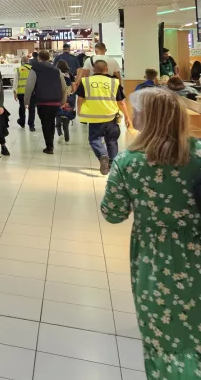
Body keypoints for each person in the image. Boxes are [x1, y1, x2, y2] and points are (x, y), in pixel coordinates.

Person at [100, 88, 201, 378]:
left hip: (157, 257)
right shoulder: (198, 155)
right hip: (196, 246)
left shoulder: (129, 162)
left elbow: (113, 213)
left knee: (164, 336)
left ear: (148, 118)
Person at [76, 59, 131, 174]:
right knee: (112, 140)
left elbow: (80, 99)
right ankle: (112, 165)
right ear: (106, 70)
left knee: (94, 140)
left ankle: (102, 156)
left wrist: (79, 111)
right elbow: (121, 102)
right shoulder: (114, 82)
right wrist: (127, 117)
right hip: (111, 117)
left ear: (93, 69)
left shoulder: (86, 81)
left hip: (94, 117)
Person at [24, 50, 69, 155]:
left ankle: (49, 147)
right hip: (55, 101)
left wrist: (27, 101)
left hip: (41, 101)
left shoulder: (35, 69)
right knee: (51, 122)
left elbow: (29, 86)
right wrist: (63, 100)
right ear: (49, 58)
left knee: (45, 123)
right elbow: (63, 87)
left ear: (39, 58)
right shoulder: (57, 70)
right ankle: (50, 145)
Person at [54, 60, 75, 143]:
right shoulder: (70, 75)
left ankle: (60, 134)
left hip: (58, 98)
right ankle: (67, 138)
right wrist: (71, 93)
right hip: (69, 98)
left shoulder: (55, 75)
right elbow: (73, 87)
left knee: (58, 117)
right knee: (66, 118)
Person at [13, 56, 35, 132]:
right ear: (28, 61)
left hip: (21, 92)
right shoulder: (33, 69)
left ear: (22, 61)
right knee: (31, 109)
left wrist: (15, 92)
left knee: (22, 107)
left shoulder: (19, 69)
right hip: (31, 92)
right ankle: (31, 125)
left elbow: (15, 82)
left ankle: (22, 122)